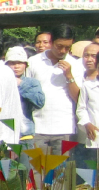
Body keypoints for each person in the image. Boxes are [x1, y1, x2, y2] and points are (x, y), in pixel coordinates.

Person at [26, 24, 83, 154]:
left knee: (62, 172)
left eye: (67, 48)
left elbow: (78, 98)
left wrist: (69, 76)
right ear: (51, 42)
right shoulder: (33, 62)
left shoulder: (75, 64)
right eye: (59, 46)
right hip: (37, 126)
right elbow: (26, 92)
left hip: (64, 127)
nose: (63, 51)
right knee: (37, 170)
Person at [5, 46, 45, 140]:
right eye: (12, 63)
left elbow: (40, 102)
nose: (16, 66)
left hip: (25, 134)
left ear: (26, 65)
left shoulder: (32, 82)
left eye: (20, 63)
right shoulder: (0, 81)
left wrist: (21, 85)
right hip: (4, 132)